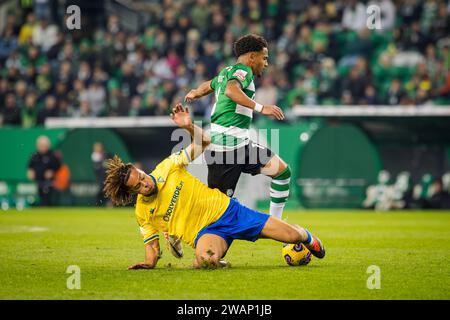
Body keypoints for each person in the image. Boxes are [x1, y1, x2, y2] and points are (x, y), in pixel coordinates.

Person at [103, 103, 325, 269]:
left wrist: (189, 126)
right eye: (138, 186)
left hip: (228, 211)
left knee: (292, 237)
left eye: (141, 176)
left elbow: (203, 142)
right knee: (205, 260)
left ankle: (307, 236)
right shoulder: (143, 213)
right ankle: (217, 261)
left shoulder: (167, 167)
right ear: (132, 193)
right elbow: (152, 250)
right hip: (207, 233)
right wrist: (148, 264)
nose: (145, 182)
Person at [184, 34, 290, 221]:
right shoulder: (244, 71)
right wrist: (261, 108)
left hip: (240, 145)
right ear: (252, 57)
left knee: (282, 171)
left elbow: (208, 86)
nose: (266, 63)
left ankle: (277, 223)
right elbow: (231, 90)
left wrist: (195, 93)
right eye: (264, 58)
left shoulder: (226, 72)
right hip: (225, 149)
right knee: (216, 211)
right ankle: (178, 226)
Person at [27, 135, 61, 206]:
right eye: (40, 145)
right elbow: (30, 166)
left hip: (50, 183)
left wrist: (52, 172)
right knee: (40, 198)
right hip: (38, 181)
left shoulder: (52, 155)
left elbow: (58, 166)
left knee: (47, 199)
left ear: (47, 145)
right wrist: (30, 172)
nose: (41, 147)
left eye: (43, 145)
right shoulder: (34, 155)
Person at [91, 142, 112, 206]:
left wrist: (107, 164)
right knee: (100, 192)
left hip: (108, 177)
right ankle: (98, 205)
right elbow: (97, 168)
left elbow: (111, 161)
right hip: (100, 178)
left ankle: (110, 205)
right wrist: (103, 164)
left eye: (98, 147)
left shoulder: (107, 154)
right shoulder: (95, 156)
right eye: (96, 147)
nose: (97, 149)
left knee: (109, 192)